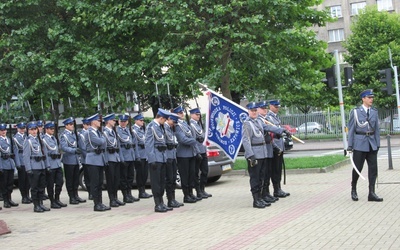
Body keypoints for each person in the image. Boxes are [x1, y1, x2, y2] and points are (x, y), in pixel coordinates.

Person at [242, 102, 286, 208]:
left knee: (262, 177)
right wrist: (250, 156)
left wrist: (282, 130)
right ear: (248, 111)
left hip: (263, 153)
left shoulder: (258, 121)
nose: (254, 112)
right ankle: (256, 200)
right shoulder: (247, 124)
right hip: (255, 154)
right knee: (255, 178)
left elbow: (268, 128)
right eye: (252, 111)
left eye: (255, 110)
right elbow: (246, 141)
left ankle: (261, 198)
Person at [347, 89, 382, 202]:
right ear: (363, 98)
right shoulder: (356, 112)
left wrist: (377, 144)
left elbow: (376, 129)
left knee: (373, 169)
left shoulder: (374, 112)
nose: (372, 99)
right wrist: (350, 145)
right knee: (358, 168)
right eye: (369, 97)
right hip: (359, 143)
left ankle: (371, 193)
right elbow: (351, 129)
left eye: (372, 97)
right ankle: (354, 189)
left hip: (371, 143)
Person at [173, 106, 200, 203]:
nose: (182, 114)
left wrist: (196, 151)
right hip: (183, 154)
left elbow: (190, 136)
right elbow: (182, 139)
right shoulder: (177, 126)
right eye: (180, 113)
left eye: (182, 112)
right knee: (184, 176)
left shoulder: (185, 124)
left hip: (191, 153)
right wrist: (194, 141)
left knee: (191, 175)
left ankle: (191, 193)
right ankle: (186, 195)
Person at [145, 108, 170, 212]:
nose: (165, 122)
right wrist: (152, 159)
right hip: (155, 158)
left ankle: (162, 202)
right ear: (161, 118)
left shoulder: (160, 127)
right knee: (156, 182)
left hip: (162, 157)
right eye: (164, 120)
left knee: (162, 182)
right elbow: (148, 144)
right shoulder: (151, 127)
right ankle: (157, 204)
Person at [85, 113, 110, 211]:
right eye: (98, 121)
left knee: (100, 183)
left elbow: (103, 144)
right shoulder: (90, 132)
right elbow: (100, 142)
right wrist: (103, 139)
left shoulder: (98, 132)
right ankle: (96, 204)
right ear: (93, 122)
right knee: (95, 183)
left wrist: (102, 140)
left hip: (99, 159)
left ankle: (100, 202)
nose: (100, 122)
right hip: (93, 160)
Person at [23, 121, 50, 212]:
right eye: (32, 129)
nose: (34, 131)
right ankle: (36, 205)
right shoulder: (28, 141)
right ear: (28, 131)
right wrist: (28, 169)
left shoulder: (39, 140)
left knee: (41, 186)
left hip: (41, 165)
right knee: (35, 187)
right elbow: (26, 156)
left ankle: (41, 203)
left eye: (35, 129)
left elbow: (44, 153)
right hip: (34, 167)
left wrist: (47, 165)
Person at [257, 101, 280, 204]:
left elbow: (269, 137)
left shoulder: (265, 119)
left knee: (268, 173)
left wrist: (276, 147)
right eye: (262, 108)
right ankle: (262, 195)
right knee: (263, 174)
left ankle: (266, 193)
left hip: (269, 149)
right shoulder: (258, 120)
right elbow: (266, 129)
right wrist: (280, 130)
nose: (265, 110)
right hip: (262, 151)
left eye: (265, 108)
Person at [266, 100, 290, 198]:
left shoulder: (275, 117)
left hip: (279, 144)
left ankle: (278, 188)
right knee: (275, 169)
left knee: (278, 168)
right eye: (275, 107)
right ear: (271, 106)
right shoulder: (268, 118)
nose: (277, 108)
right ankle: (276, 189)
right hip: (274, 145)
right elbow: (272, 132)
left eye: (278, 107)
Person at [60, 117, 86, 205]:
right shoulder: (64, 135)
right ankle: (71, 197)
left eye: (73, 124)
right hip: (68, 160)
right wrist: (74, 150)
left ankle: (76, 195)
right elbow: (63, 147)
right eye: (70, 124)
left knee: (75, 179)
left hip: (75, 160)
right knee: (70, 180)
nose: (72, 126)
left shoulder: (74, 134)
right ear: (66, 125)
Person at [42, 121, 67, 209]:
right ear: (46, 129)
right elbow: (45, 153)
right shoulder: (43, 139)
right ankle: (52, 201)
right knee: (50, 184)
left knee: (60, 182)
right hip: (50, 164)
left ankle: (57, 199)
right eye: (51, 129)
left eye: (53, 129)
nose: (53, 130)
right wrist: (47, 165)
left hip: (57, 163)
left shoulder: (54, 138)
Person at [189, 108, 212, 199]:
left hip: (203, 150)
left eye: (199, 114)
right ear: (191, 115)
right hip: (197, 151)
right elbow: (193, 140)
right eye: (196, 114)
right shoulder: (190, 125)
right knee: (196, 173)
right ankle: (198, 191)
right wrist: (196, 152)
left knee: (205, 171)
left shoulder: (199, 124)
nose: (198, 116)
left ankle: (202, 189)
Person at [103, 113, 124, 207]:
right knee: (110, 180)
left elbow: (117, 145)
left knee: (116, 180)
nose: (114, 122)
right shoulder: (104, 132)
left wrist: (121, 158)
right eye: (113, 120)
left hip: (115, 158)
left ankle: (115, 198)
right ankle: (111, 199)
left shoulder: (113, 131)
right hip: (109, 158)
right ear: (108, 121)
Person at [164, 113, 184, 208]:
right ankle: (170, 200)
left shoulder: (171, 128)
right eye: (173, 121)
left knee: (173, 179)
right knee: (169, 179)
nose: (174, 123)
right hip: (167, 156)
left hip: (172, 156)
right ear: (168, 119)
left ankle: (173, 199)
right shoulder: (164, 128)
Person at [116, 114, 136, 204]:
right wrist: (121, 158)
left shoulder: (128, 130)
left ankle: (129, 193)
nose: (123, 123)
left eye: (125, 121)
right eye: (121, 121)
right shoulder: (117, 130)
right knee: (123, 178)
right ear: (119, 122)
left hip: (130, 156)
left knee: (130, 176)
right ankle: (125, 195)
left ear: (127, 122)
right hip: (124, 156)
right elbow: (119, 145)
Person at [132, 114, 152, 199]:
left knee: (144, 174)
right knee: (140, 174)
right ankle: (141, 191)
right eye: (141, 120)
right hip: (139, 154)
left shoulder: (144, 129)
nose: (142, 122)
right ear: (136, 121)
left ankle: (143, 190)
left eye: (143, 120)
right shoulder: (133, 130)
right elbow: (136, 143)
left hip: (145, 154)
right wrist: (137, 156)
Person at [0, 123, 19, 208]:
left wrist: (16, 164)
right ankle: (5, 201)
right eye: (1, 130)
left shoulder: (9, 139)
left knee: (10, 184)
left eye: (4, 130)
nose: (3, 131)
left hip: (10, 164)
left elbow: (14, 152)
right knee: (4, 184)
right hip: (3, 164)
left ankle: (9, 199)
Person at [13, 122, 31, 204]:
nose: (22, 130)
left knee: (28, 180)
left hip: (27, 161)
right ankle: (24, 196)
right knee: (22, 180)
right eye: (21, 128)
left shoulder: (27, 137)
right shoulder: (15, 138)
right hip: (21, 160)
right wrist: (17, 163)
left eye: (23, 128)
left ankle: (27, 195)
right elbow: (16, 152)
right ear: (17, 129)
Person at [78, 118, 91, 200]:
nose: (89, 126)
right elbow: (82, 148)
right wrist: (89, 157)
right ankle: (90, 193)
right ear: (84, 125)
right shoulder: (81, 134)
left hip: (92, 158)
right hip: (86, 158)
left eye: (89, 124)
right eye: (87, 125)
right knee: (87, 177)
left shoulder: (91, 133)